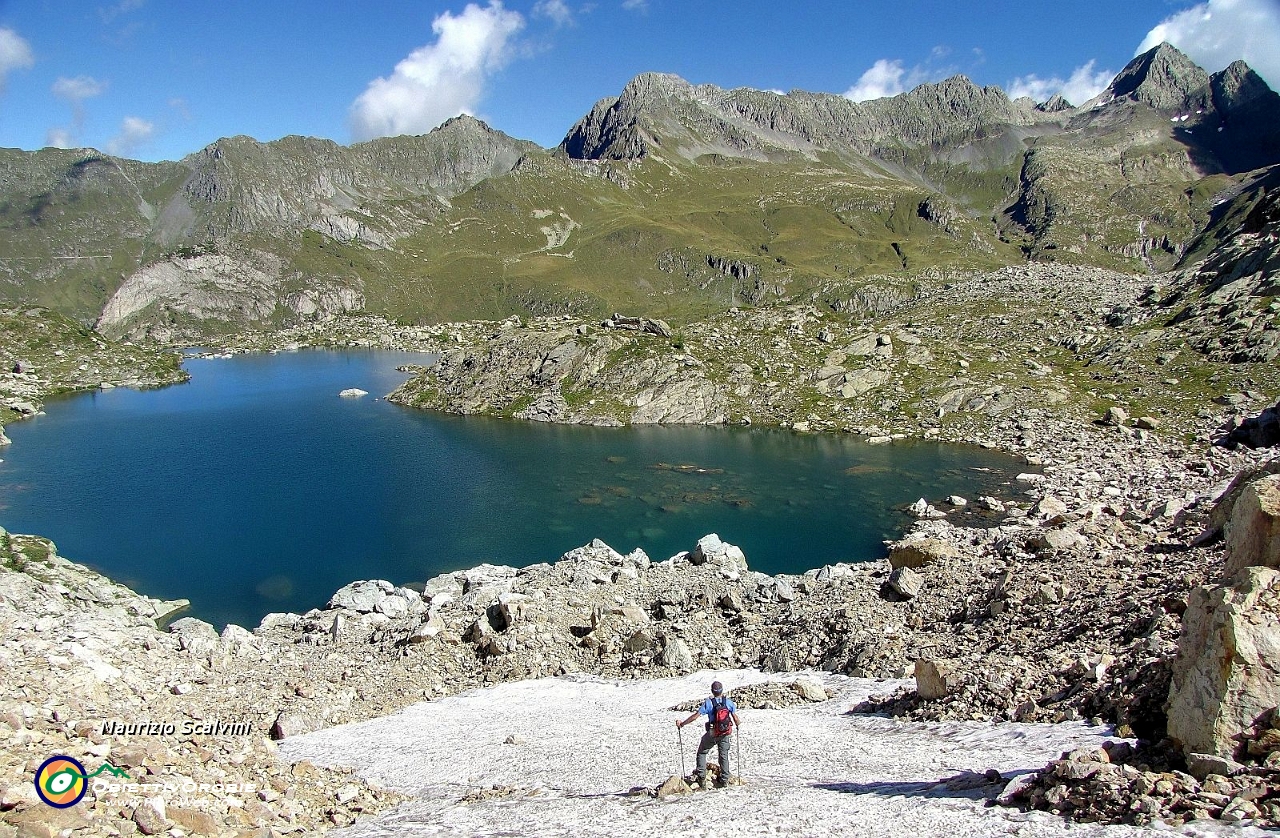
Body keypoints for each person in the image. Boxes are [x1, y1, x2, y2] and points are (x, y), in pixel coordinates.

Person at [676, 680, 740, 787]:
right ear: (722, 690)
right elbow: (736, 719)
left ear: (712, 691)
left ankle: (702, 778)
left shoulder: (709, 703)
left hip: (713, 732)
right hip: (725, 733)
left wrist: (682, 724)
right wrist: (737, 725)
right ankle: (724, 780)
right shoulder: (728, 702)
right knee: (723, 756)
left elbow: (695, 716)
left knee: (702, 752)